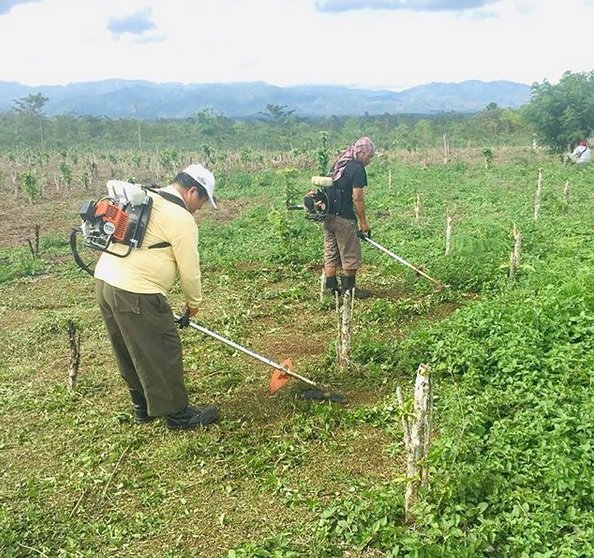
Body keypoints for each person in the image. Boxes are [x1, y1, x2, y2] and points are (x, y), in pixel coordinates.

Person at [94, 164, 219, 431]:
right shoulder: (181, 217)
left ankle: (142, 407)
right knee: (163, 348)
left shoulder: (146, 196)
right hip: (136, 291)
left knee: (129, 347)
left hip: (105, 281)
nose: (200, 208)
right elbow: (189, 270)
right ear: (192, 191)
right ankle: (177, 415)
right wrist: (193, 303)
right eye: (202, 201)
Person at [322, 136, 375, 296]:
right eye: (369, 155)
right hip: (344, 218)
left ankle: (331, 288)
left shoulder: (340, 164)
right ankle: (349, 290)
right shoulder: (357, 169)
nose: (369, 159)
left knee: (331, 252)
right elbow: (357, 198)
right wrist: (363, 223)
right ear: (360, 152)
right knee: (350, 252)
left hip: (328, 216)